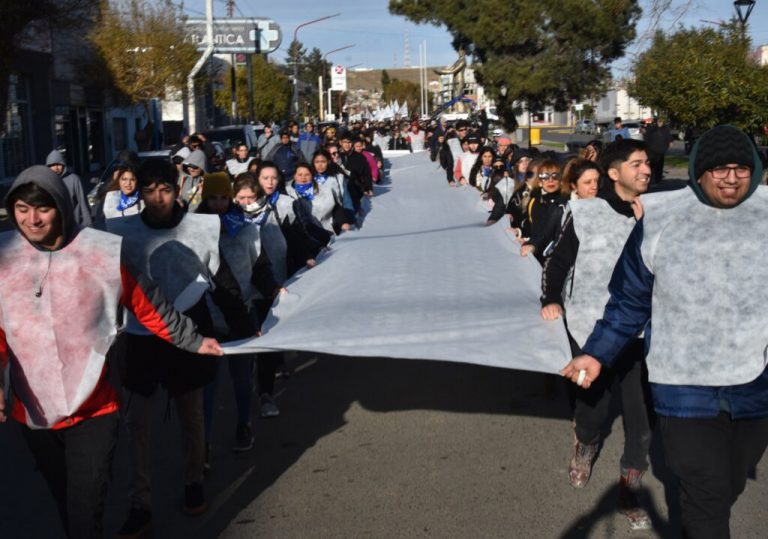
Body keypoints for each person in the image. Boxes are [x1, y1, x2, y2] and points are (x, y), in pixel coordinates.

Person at [562, 125, 768, 538]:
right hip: (684, 386)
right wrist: (597, 352)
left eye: (741, 168)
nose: (731, 177)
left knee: (727, 483)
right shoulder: (663, 219)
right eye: (719, 168)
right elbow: (630, 301)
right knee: (706, 494)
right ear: (697, 170)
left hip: (753, 386)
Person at [0, 165, 222, 539]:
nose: (32, 219)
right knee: (67, 507)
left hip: (94, 406)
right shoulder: (5, 259)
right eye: (22, 209)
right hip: (33, 411)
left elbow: (147, 303)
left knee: (86, 513)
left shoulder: (99, 253)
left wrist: (194, 340)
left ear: (62, 206)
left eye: (43, 208)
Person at [106, 160, 253, 536]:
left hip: (190, 328)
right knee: (137, 422)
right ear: (139, 191)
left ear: (178, 190)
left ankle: (193, 481)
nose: (157, 198)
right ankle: (140, 502)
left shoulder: (200, 228)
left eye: (165, 189)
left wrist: (244, 326)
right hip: (141, 334)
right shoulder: (120, 232)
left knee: (191, 413)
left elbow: (222, 280)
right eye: (149, 190)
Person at [544, 138, 652, 530]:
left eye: (647, 163)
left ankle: (630, 486)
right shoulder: (586, 212)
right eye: (636, 163)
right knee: (593, 408)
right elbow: (559, 261)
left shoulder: (655, 211)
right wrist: (550, 297)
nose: (646, 170)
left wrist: (649, 226)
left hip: (640, 333)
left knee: (641, 418)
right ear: (613, 171)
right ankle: (585, 445)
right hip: (590, 328)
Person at [196, 172, 282, 457]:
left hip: (242, 312)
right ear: (204, 198)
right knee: (208, 385)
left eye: (223, 197)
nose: (219, 204)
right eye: (213, 198)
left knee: (242, 377)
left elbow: (259, 266)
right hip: (207, 317)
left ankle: (244, 423)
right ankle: (204, 442)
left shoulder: (246, 228)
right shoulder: (192, 230)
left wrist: (272, 289)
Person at [519, 158, 569, 264]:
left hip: (553, 259)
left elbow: (549, 232)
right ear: (540, 182)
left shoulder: (563, 203)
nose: (550, 180)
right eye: (545, 177)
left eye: (555, 176)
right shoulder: (534, 201)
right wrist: (521, 233)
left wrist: (533, 244)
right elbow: (529, 224)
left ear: (561, 181)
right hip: (534, 254)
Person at [45, 149, 92, 227]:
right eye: (53, 165)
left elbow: (82, 201)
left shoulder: (74, 179)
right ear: (48, 166)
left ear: (63, 164)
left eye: (58, 164)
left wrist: (88, 223)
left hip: (73, 224)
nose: (56, 168)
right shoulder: (46, 181)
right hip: (53, 226)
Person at [643, 117, 673, 184]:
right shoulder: (652, 129)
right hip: (652, 150)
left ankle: (658, 179)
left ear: (663, 122)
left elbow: (669, 137)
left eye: (661, 122)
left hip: (661, 151)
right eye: (658, 121)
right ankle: (650, 179)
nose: (659, 123)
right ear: (656, 122)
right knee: (651, 165)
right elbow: (646, 137)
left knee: (659, 166)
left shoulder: (665, 129)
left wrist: (670, 142)